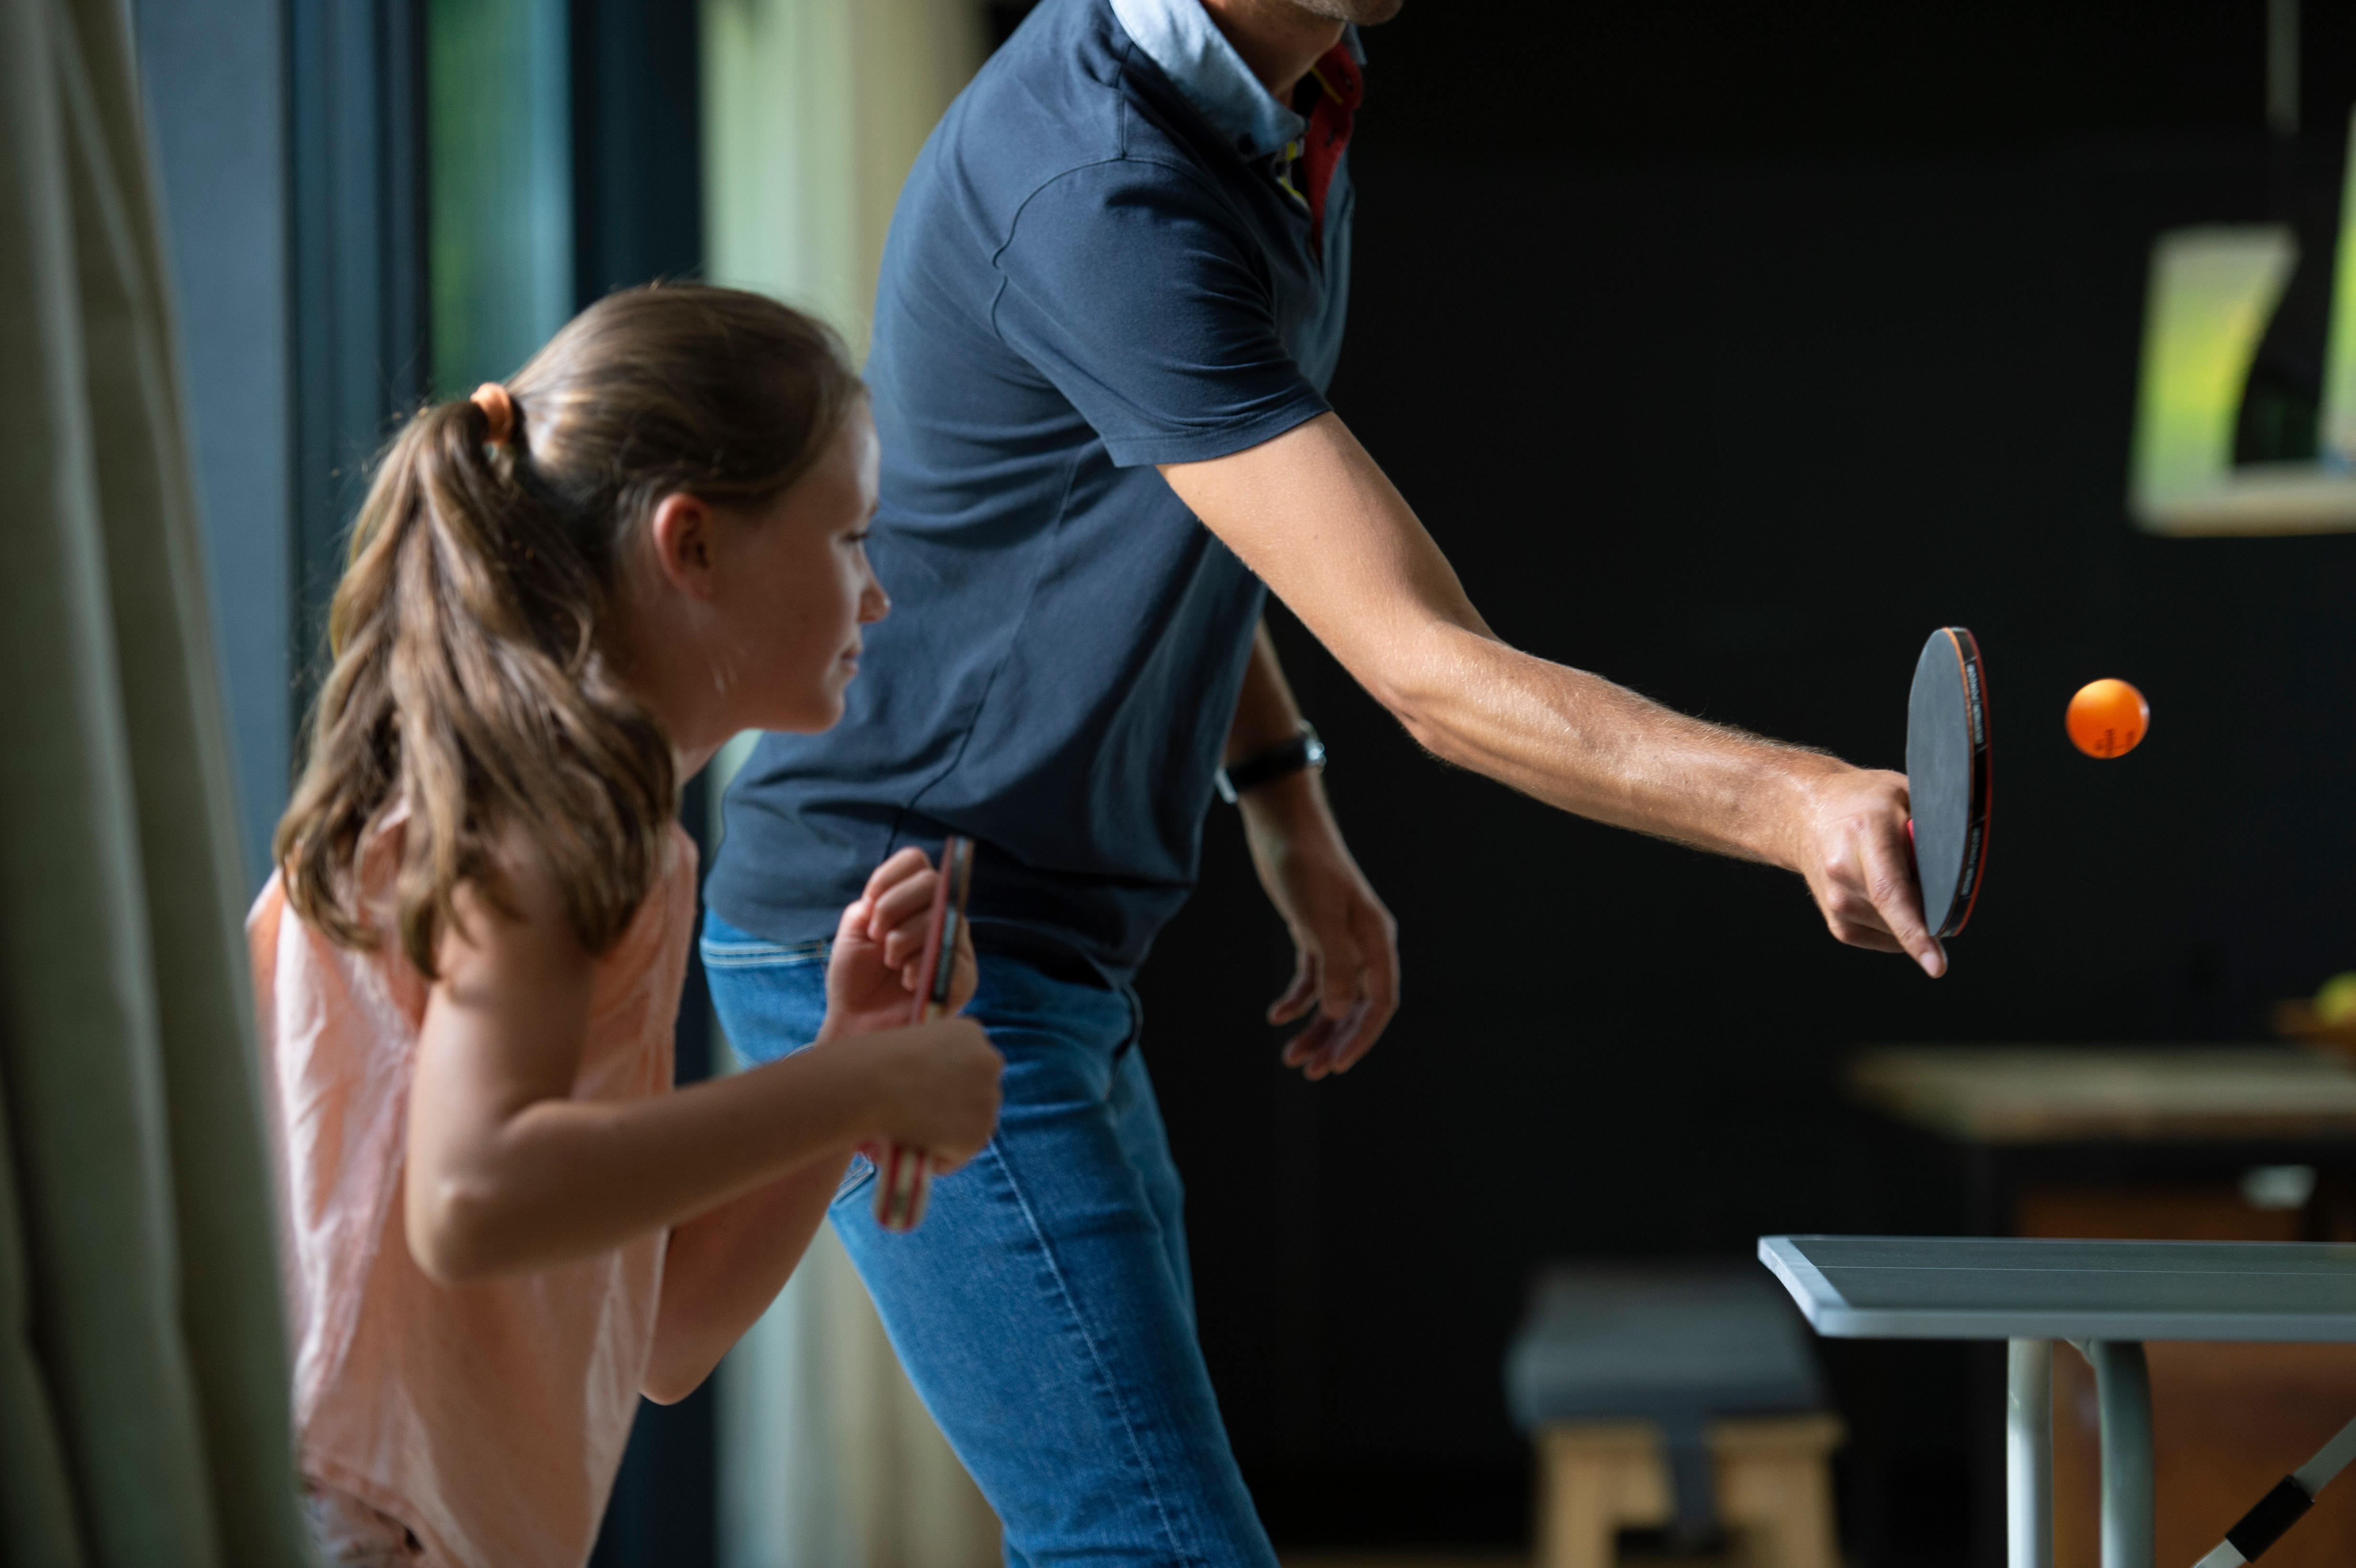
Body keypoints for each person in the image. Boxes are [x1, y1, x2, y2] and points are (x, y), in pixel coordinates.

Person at [702, 0, 1945, 1562]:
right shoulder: (1097, 183)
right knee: (1152, 1543)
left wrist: (1288, 806)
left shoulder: (1294, 104)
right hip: (902, 932)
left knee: (1108, 1535)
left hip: (1043, 939)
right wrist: (1796, 804)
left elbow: (1172, 513)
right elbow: (1426, 666)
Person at [250, 284, 1004, 1568]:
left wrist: (843, 1057)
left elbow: (667, 1335)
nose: (875, 600)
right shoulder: (543, 813)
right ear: (692, 545)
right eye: (849, 542)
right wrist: (867, 1086)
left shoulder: (609, 826)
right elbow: (475, 1195)